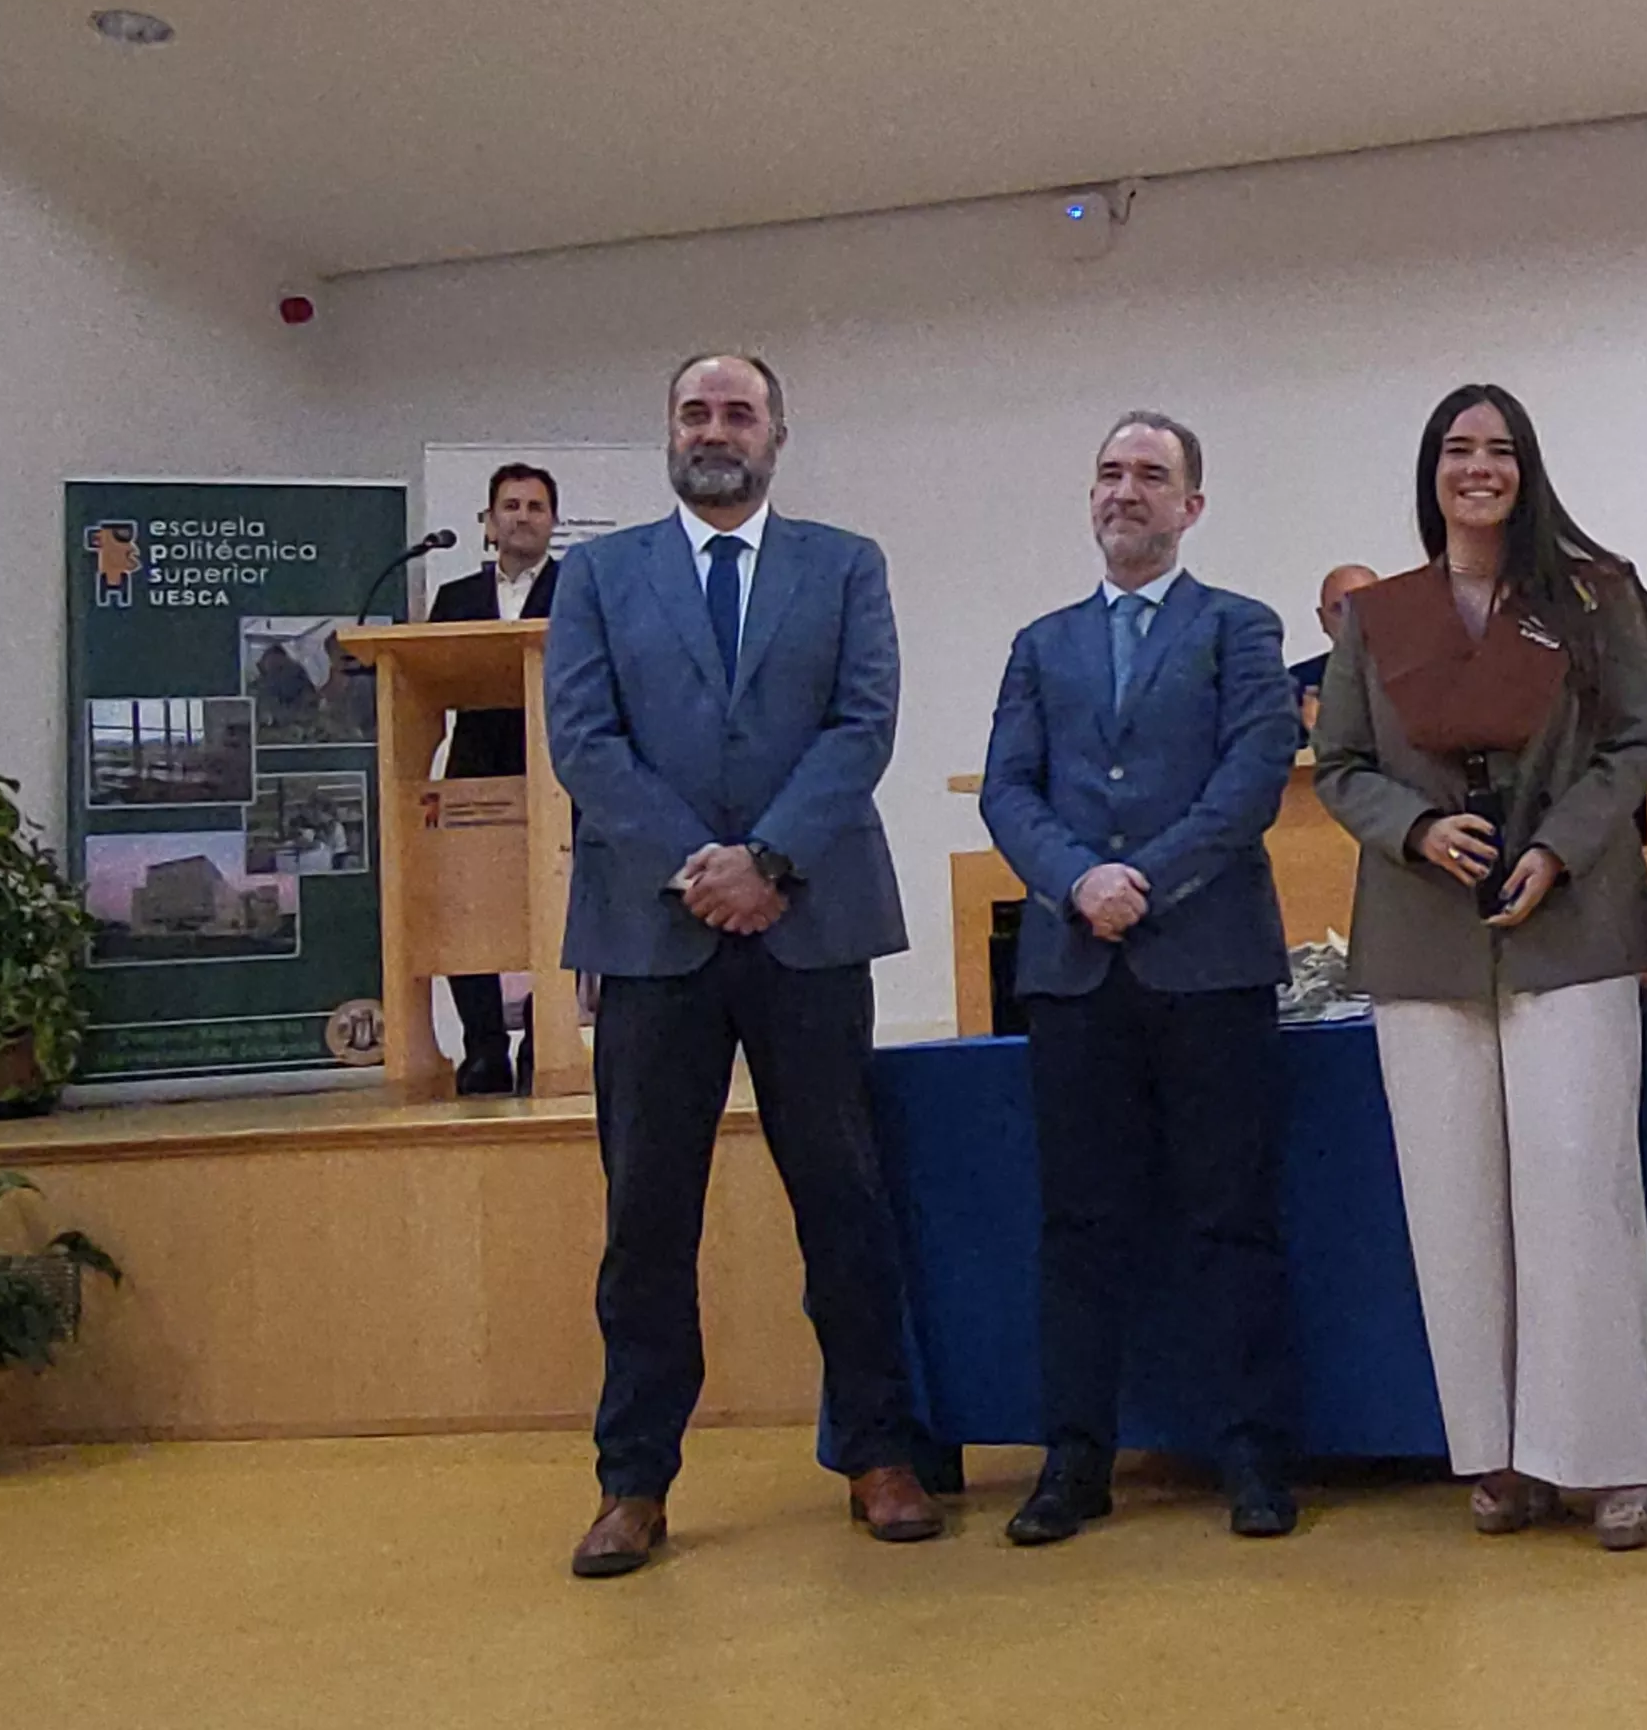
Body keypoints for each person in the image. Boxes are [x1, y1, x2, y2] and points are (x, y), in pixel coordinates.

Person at [545, 353, 936, 1576]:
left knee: (844, 1198)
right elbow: (583, 738)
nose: (716, 430)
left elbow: (862, 724)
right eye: (694, 412)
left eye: (739, 413)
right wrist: (696, 865)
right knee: (646, 1217)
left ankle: (877, 1448)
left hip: (808, 923)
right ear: (667, 429)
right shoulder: (599, 574)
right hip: (653, 937)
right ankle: (634, 1478)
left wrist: (767, 859)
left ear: (778, 433)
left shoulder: (845, 563)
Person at [1311, 383, 1647, 1551]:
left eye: (1501, 449)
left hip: (1570, 921)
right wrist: (1414, 830)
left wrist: (1562, 848)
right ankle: (1503, 1453)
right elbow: (1342, 764)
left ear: (1529, 467)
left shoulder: (1595, 594)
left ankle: (1609, 1458)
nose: (1480, 467)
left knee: (1581, 1187)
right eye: (1459, 449)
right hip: (1424, 932)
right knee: (1452, 1205)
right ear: (1430, 470)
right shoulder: (1379, 618)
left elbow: (1632, 742)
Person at [978, 411, 1306, 1545]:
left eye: (1151, 475)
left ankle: (1254, 1454)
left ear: (1191, 506)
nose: (1126, 491)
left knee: (1232, 1218)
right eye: (1109, 472)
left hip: (1209, 967)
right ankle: (1074, 1459)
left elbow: (1253, 776)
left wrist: (1143, 881)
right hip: (1075, 973)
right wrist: (1078, 882)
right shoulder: (1039, 641)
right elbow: (1006, 790)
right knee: (1078, 1223)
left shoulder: (1241, 628)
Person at [427, 462, 565, 1095]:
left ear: (553, 523)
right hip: (475, 770)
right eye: (510, 505)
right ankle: (484, 1047)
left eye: (536, 507)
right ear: (489, 521)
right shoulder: (455, 599)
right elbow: (429, 677)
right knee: (467, 907)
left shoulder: (577, 592)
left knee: (556, 909)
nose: (522, 516)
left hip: (555, 769)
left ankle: (547, 1041)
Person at [1288, 563, 1382, 725]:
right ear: (1322, 619)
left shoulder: (1421, 671)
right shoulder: (1296, 686)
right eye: (1338, 609)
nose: (1350, 619)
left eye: (1362, 605)